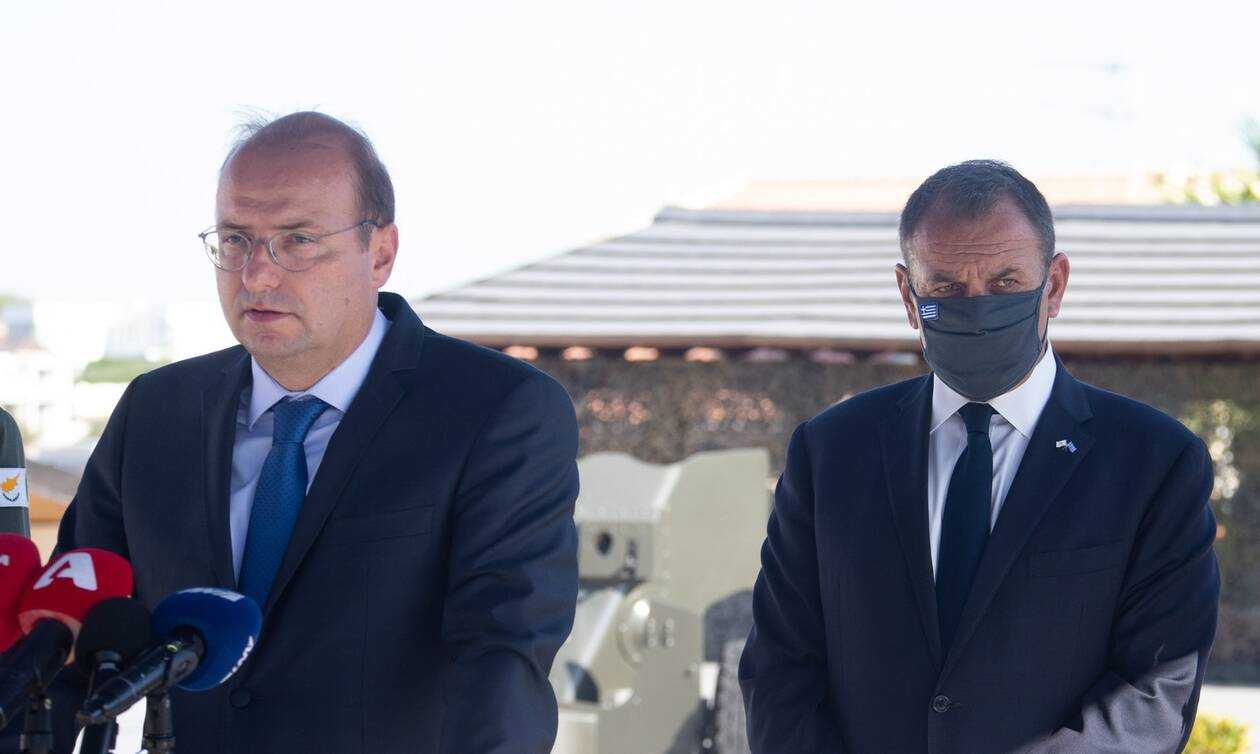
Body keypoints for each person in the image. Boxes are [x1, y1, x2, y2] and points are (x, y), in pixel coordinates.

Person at [21, 112, 580, 753]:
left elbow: (502, 661)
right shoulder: (156, 412)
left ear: (380, 254)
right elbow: (64, 641)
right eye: (235, 240)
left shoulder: (497, 412)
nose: (256, 274)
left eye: (298, 241)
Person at [739, 160, 1220, 753]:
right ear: (908, 296)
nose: (978, 308)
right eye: (946, 289)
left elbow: (1153, 694)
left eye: (1005, 282)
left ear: (1054, 285)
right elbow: (781, 669)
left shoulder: (1156, 464)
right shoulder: (831, 453)